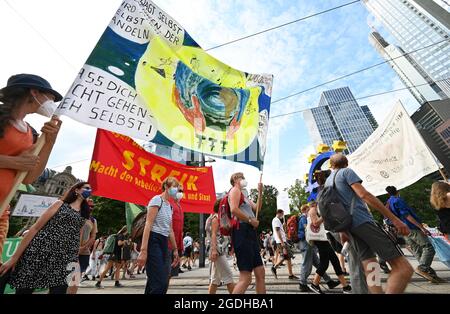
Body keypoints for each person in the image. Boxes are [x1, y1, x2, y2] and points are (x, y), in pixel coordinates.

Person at [325, 154, 413, 294]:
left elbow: (331, 209)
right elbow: (364, 195)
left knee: (371, 264)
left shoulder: (328, 181)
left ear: (331, 165)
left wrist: (342, 231)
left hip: (348, 228)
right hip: (362, 222)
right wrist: (394, 219)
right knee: (403, 268)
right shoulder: (346, 172)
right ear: (346, 163)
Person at [0, 74, 62, 261]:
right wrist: (10, 162)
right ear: (34, 93)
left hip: (2, 210)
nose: (52, 104)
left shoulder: (30, 133)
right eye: (50, 98)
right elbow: (17, 164)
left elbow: (27, 178)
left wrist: (49, 143)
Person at [0, 182, 90, 294]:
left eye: (90, 189)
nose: (89, 191)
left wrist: (76, 260)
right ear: (76, 190)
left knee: (60, 289)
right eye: (86, 188)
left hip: (63, 257)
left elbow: (77, 238)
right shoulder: (59, 204)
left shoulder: (84, 213)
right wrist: (14, 258)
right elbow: (36, 228)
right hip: (39, 251)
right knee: (25, 289)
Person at [385, 186, 441, 282]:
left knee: (417, 251)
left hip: (402, 230)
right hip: (411, 228)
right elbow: (406, 215)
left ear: (388, 193)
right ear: (398, 191)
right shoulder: (398, 200)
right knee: (429, 247)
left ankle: (431, 275)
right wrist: (421, 227)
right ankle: (423, 268)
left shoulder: (388, 203)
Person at [136, 177, 180, 294]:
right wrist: (144, 250)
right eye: (174, 187)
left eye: (177, 187)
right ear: (166, 186)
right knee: (160, 282)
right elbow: (148, 225)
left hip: (163, 241)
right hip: (153, 239)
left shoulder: (169, 206)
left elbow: (170, 229)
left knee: (158, 280)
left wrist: (175, 249)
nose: (176, 190)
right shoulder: (157, 200)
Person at [228, 172, 266, 294]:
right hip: (242, 232)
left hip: (250, 233)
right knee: (246, 277)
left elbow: (257, 208)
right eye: (241, 177)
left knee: (260, 273)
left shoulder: (244, 196)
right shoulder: (234, 190)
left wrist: (260, 192)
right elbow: (233, 209)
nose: (244, 179)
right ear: (235, 180)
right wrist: (250, 220)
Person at [307, 202, 352, 294]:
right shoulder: (312, 210)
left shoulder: (319, 209)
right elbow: (315, 223)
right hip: (320, 240)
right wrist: (325, 215)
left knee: (335, 261)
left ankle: (345, 286)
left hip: (324, 239)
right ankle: (314, 284)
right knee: (324, 263)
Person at [298, 204, 338, 292]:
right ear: (305, 209)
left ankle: (329, 281)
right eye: (308, 209)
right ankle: (302, 284)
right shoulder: (303, 218)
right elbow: (308, 228)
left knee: (318, 263)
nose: (310, 210)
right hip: (306, 243)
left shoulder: (305, 217)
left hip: (309, 244)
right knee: (307, 264)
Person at [206, 200, 235, 294]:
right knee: (229, 276)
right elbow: (213, 235)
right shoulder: (216, 218)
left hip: (218, 250)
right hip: (218, 251)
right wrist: (214, 250)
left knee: (215, 280)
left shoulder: (214, 216)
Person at [271, 209, 298, 280]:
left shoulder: (276, 220)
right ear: (279, 213)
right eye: (282, 214)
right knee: (285, 257)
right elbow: (277, 231)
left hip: (281, 241)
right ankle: (274, 267)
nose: (282, 215)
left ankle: (290, 274)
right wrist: (282, 242)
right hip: (281, 242)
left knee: (288, 257)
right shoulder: (276, 220)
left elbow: (280, 231)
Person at [168, 186, 185, 278]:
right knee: (166, 272)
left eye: (182, 191)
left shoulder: (179, 206)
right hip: (169, 244)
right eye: (179, 191)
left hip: (177, 243)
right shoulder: (169, 204)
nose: (181, 193)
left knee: (171, 273)